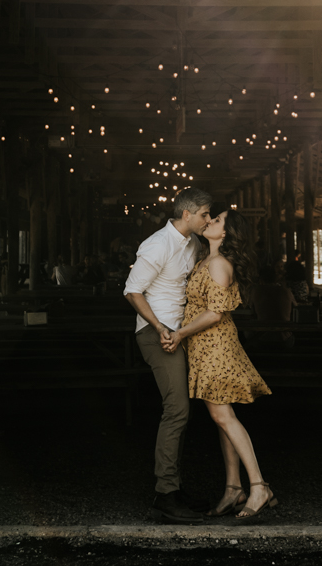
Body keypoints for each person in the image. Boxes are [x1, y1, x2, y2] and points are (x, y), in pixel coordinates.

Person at [166, 206, 278, 521]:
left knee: (224, 417)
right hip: (205, 348)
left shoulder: (218, 264)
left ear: (226, 233)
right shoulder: (207, 259)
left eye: (217, 220)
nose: (210, 220)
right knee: (221, 417)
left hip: (216, 348)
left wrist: (179, 334)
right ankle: (233, 488)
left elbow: (215, 313)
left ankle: (258, 485)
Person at [124, 187, 213, 523]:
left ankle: (175, 486)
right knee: (177, 408)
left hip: (180, 330)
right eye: (205, 213)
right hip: (155, 332)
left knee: (184, 410)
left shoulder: (191, 243)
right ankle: (165, 494)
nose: (208, 219)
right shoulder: (157, 244)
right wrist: (161, 328)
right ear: (187, 214)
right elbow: (132, 290)